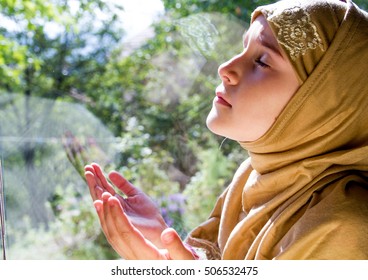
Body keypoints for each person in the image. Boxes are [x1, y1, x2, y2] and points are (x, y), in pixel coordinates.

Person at [84, 0, 368, 260]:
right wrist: (161, 237)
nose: (225, 67)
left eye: (262, 61)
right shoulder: (251, 177)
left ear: (324, 105)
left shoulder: (342, 230)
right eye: (244, 48)